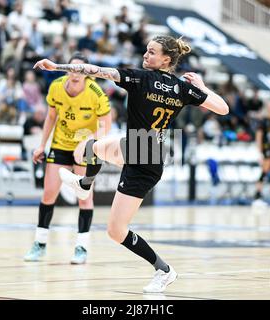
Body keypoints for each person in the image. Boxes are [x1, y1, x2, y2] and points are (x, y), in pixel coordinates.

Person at [33, 35, 229, 293]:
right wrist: (202, 86)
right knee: (89, 147)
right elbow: (223, 108)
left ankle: (164, 270)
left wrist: (57, 67)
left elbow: (93, 70)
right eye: (146, 51)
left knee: (115, 231)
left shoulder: (140, 78)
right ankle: (84, 184)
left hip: (144, 162)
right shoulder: (183, 88)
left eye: (151, 52)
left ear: (166, 59)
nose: (146, 55)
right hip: (141, 147)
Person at [24, 52, 112, 264]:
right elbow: (51, 117)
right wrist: (41, 145)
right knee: (48, 193)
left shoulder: (95, 92)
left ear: (87, 73)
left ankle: (81, 247)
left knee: (84, 197)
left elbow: (106, 127)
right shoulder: (56, 86)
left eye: (80, 70)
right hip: (61, 144)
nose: (75, 73)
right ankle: (40, 243)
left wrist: (86, 143)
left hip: (85, 147)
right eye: (72, 68)